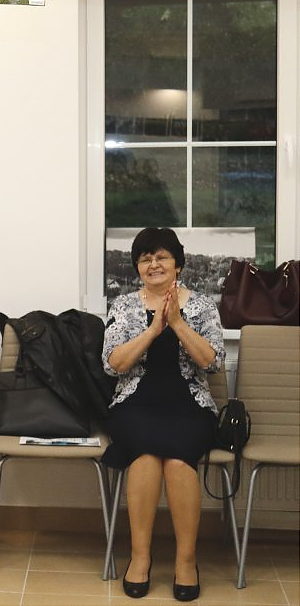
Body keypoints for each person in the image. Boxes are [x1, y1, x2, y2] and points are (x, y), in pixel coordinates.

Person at [102, 227, 223, 602]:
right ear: (138, 267)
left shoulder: (202, 306)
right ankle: (140, 557)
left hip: (190, 406)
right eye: (145, 258)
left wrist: (177, 323)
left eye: (161, 257)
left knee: (177, 459)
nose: (153, 264)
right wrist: (152, 330)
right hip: (135, 405)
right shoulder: (123, 307)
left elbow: (212, 362)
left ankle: (186, 561)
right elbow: (113, 364)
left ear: (178, 265)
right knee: (145, 456)